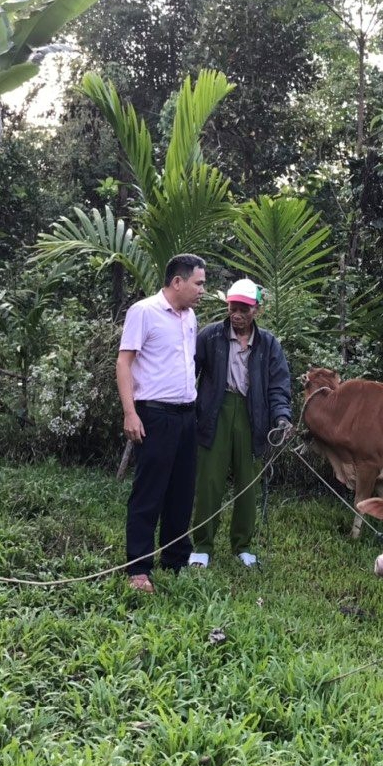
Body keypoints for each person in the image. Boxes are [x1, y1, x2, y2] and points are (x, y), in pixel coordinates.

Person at [116, 254, 207, 593]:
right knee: (149, 492)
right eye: (198, 283)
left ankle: (175, 558)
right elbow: (124, 363)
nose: (202, 291)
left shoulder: (190, 316)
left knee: (182, 492)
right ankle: (138, 567)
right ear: (177, 282)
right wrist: (130, 412)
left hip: (186, 414)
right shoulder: (144, 312)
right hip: (155, 414)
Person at [190, 278, 293, 569]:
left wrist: (282, 416)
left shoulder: (268, 343)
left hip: (252, 413)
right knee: (210, 480)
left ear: (256, 310)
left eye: (244, 309)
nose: (237, 314)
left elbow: (279, 385)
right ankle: (202, 545)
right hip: (216, 410)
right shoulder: (210, 336)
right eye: (233, 308)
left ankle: (242, 545)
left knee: (248, 483)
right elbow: (190, 373)